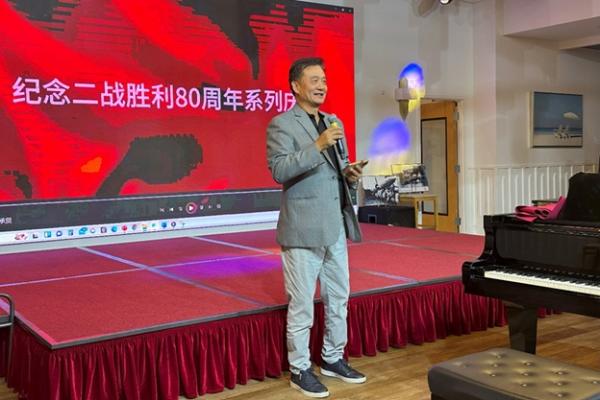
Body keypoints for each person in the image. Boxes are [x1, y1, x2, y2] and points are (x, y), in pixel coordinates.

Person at [266, 57, 367, 398]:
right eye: (314, 80)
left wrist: (351, 175)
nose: (322, 85)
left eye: (324, 79)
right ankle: (299, 369)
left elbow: (339, 170)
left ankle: (333, 358)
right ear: (296, 86)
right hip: (302, 229)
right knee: (302, 304)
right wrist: (319, 145)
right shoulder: (282, 124)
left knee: (338, 298)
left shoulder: (333, 121)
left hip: (334, 224)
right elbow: (280, 170)